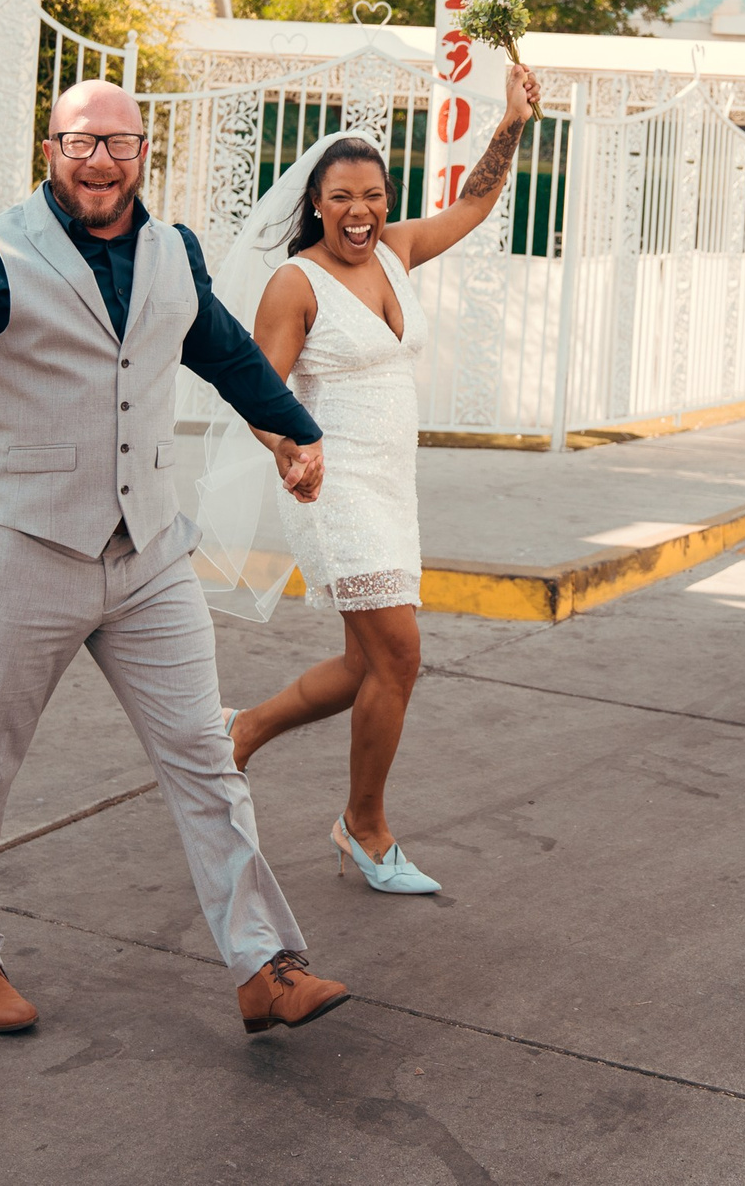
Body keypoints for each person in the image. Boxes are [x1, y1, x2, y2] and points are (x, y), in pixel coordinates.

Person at [0, 79, 351, 1039]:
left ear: (145, 151)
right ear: (50, 148)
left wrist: (293, 431)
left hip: (150, 558)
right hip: (27, 551)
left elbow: (222, 351)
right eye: (80, 143)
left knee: (207, 762)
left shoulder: (174, 252)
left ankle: (265, 962)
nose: (100, 161)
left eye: (119, 143)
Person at [221, 61, 539, 895]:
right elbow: (254, 388)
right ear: (315, 205)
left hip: (393, 485)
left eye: (373, 195)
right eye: (342, 198)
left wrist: (509, 122)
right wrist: (290, 447)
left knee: (369, 663)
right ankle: (363, 826)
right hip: (334, 485)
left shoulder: (396, 254)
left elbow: (472, 204)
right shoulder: (297, 284)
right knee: (400, 653)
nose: (359, 213)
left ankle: (242, 730)